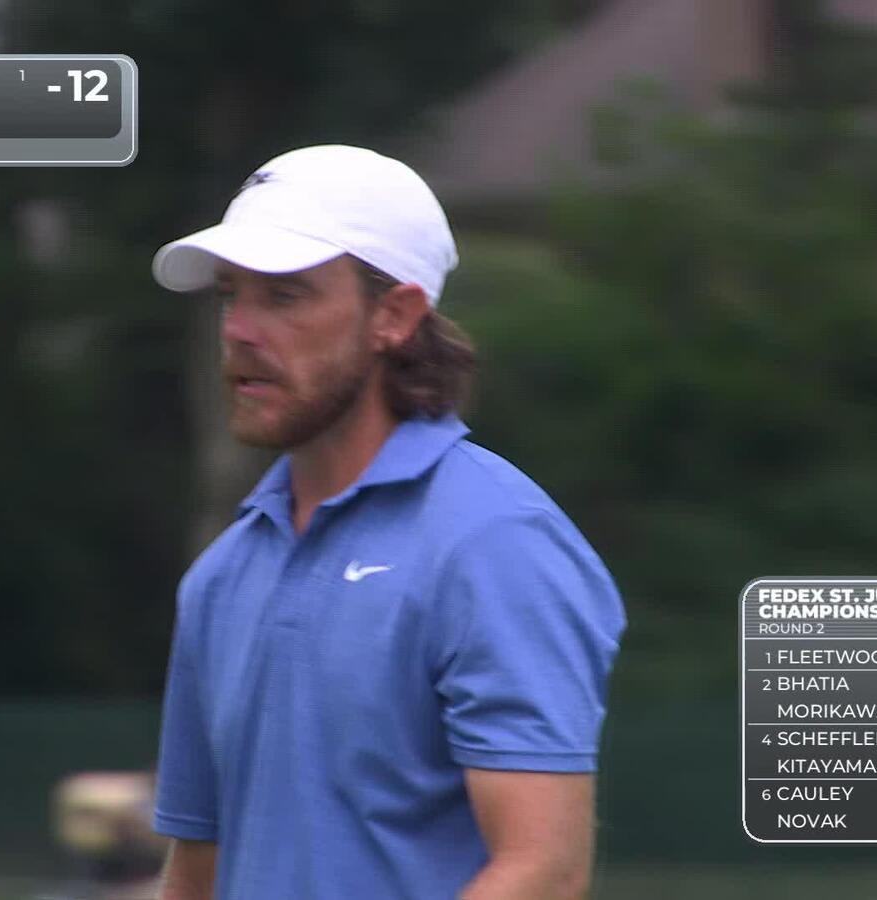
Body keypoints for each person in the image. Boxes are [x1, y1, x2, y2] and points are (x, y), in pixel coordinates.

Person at [148, 144, 626, 899]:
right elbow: (196, 875)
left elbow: (543, 873)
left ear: (395, 316)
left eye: (285, 294)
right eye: (227, 296)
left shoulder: (494, 543)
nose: (239, 329)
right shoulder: (224, 572)